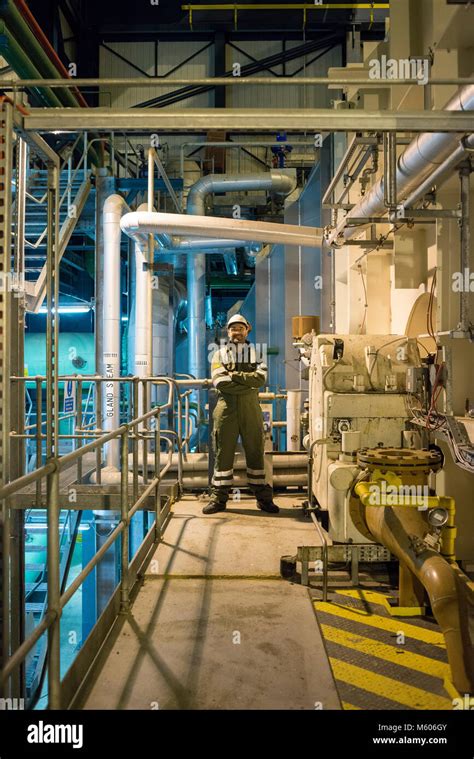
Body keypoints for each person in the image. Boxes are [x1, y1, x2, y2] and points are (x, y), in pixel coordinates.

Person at [203, 314, 280, 515]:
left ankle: (263, 499)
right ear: (228, 332)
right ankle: (218, 500)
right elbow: (220, 382)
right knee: (223, 453)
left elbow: (260, 379)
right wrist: (247, 382)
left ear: (248, 330)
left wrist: (235, 376)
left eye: (240, 328)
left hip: (251, 409)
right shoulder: (218, 355)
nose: (236, 332)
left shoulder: (258, 354)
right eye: (232, 329)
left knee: (256, 452)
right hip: (226, 410)